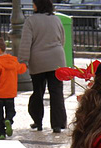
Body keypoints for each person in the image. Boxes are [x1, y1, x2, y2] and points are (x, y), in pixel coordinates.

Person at [18, 0, 67, 133]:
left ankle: (38, 121)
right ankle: (58, 124)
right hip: (57, 60)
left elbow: (26, 42)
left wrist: (23, 60)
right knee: (57, 92)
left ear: (37, 5)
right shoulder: (56, 19)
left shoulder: (31, 21)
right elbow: (62, 39)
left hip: (38, 60)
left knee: (38, 92)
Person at [0, 38, 27, 139]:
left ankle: (1, 133)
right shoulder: (13, 61)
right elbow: (21, 69)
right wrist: (25, 65)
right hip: (10, 93)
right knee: (11, 111)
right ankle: (8, 120)